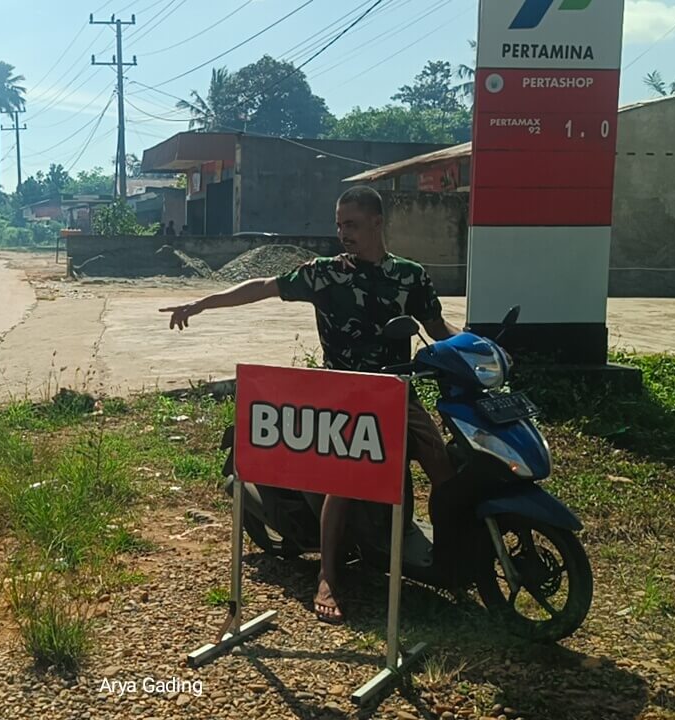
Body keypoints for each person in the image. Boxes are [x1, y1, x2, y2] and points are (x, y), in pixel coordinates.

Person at [160, 185, 460, 623]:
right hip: (345, 396)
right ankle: (328, 576)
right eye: (339, 225)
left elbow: (437, 327)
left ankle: (451, 555)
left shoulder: (410, 276)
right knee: (344, 479)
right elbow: (263, 287)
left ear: (377, 223)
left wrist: (479, 347)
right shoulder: (326, 274)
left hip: (397, 391)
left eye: (352, 224)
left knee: (443, 467)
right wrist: (202, 303)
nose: (343, 233)